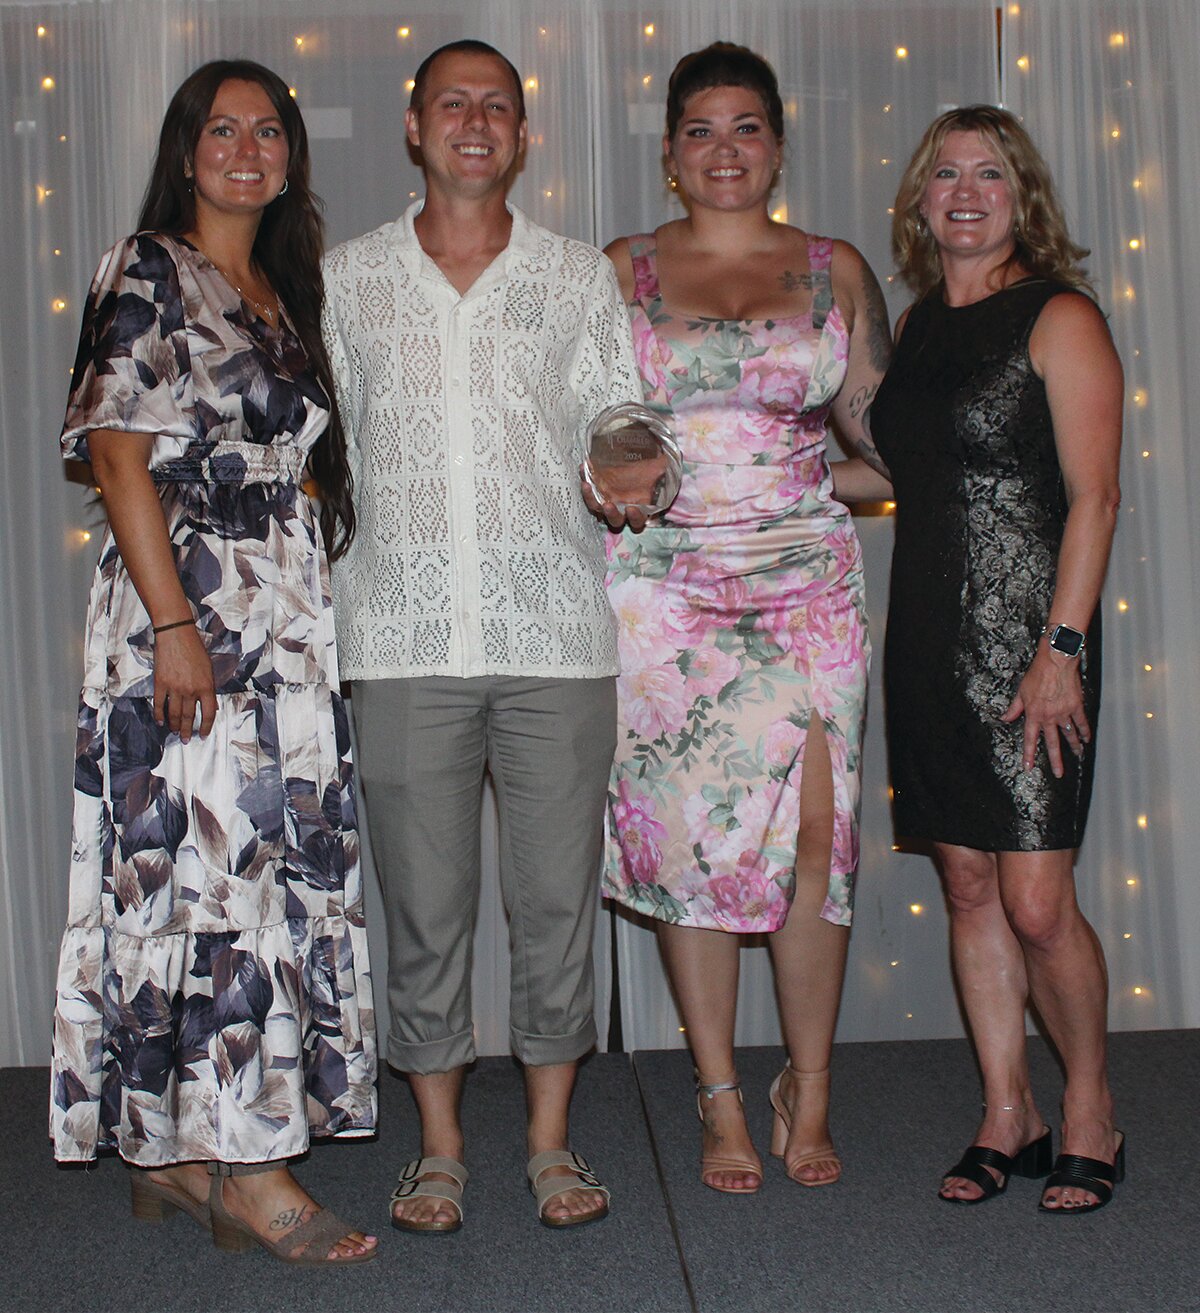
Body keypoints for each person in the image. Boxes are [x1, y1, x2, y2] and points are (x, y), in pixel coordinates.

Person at [49, 60, 378, 1265]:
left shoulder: (279, 289)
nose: (248, 147)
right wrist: (178, 624)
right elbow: (121, 458)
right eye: (223, 128)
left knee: (248, 875)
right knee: (217, 882)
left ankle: (180, 1151)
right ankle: (250, 1166)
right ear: (187, 148)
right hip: (188, 616)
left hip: (281, 620)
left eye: (269, 130)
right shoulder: (148, 266)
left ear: (291, 153)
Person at [322, 39, 641, 1231]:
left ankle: (551, 1143)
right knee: (425, 906)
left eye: (496, 106)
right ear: (414, 127)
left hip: (555, 634)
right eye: (451, 103)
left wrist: (631, 459)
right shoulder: (346, 279)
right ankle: (440, 1146)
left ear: (522, 133)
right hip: (399, 634)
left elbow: (616, 409)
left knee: (559, 903)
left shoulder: (572, 276)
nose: (474, 121)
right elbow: (320, 448)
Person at [594, 43, 892, 1194]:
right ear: (671, 154)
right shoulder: (620, 271)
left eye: (748, 127)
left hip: (804, 583)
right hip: (664, 589)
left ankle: (806, 1084)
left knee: (819, 839)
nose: (726, 150)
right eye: (703, 131)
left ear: (778, 139)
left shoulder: (836, 269)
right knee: (692, 846)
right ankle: (720, 1092)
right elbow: (590, 425)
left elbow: (873, 436)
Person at [871, 105, 1124, 1213]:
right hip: (927, 635)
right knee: (967, 881)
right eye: (944, 173)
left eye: (988, 173)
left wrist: (1061, 648)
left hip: (1033, 640)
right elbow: (904, 478)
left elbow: (1095, 496)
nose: (964, 190)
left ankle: (1092, 1106)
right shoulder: (920, 323)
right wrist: (750, 480)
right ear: (920, 198)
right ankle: (1006, 1107)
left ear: (1022, 194)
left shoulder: (1059, 314)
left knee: (1034, 898)